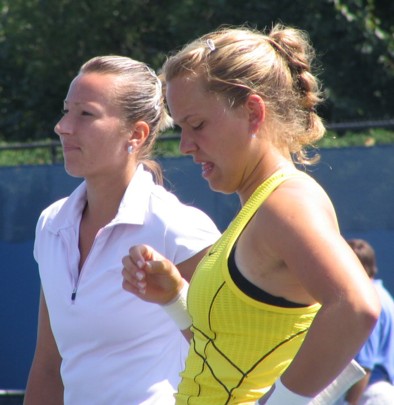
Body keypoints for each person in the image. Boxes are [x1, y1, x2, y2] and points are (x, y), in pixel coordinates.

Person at [122, 24, 381, 405]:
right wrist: (174, 297)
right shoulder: (259, 206)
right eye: (181, 128)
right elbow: (226, 355)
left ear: (253, 112)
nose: (186, 145)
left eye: (197, 125)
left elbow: (356, 307)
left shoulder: (286, 202)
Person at [23, 55, 221, 405]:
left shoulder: (179, 228)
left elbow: (227, 355)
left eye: (85, 114)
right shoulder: (51, 225)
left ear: (136, 133)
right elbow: (49, 365)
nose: (63, 126)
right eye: (66, 110)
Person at [341, 239, 394, 405]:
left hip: (370, 395)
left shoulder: (370, 300)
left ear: (361, 268)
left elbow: (365, 366)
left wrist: (350, 403)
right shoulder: (382, 296)